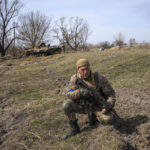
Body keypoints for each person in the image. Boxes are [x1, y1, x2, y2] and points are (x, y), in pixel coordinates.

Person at [62, 58, 116, 139]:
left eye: (87, 68)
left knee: (109, 120)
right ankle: (74, 129)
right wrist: (79, 92)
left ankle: (96, 119)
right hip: (83, 106)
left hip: (97, 106)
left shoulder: (99, 79)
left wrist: (107, 106)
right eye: (82, 70)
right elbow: (69, 93)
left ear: (90, 67)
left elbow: (111, 95)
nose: (85, 72)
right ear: (77, 69)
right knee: (66, 105)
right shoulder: (74, 79)